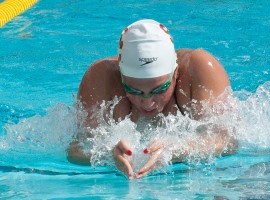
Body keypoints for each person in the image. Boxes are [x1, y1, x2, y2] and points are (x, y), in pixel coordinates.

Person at [67, 19, 237, 179]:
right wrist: (107, 152)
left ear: (175, 72)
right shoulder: (101, 79)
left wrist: (177, 149)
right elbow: (75, 150)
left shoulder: (200, 71)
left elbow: (227, 140)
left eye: (160, 89)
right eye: (133, 90)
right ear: (121, 77)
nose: (148, 102)